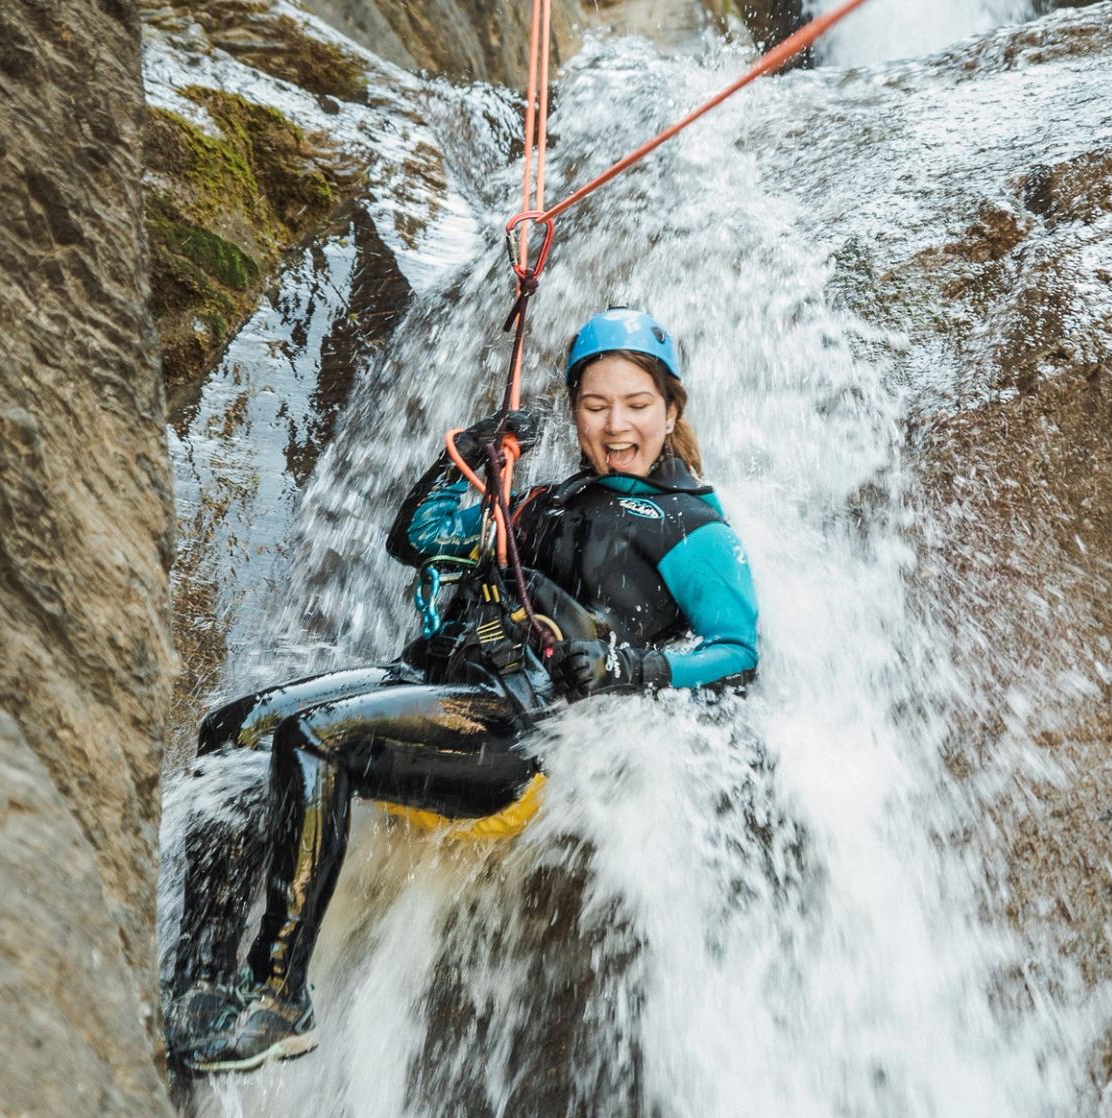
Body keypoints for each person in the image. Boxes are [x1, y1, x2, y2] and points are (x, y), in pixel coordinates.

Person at [166, 307, 759, 1073]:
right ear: (574, 410)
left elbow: (738, 652)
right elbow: (414, 541)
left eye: (637, 405)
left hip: (516, 726)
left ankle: (278, 995)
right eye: (596, 404)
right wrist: (469, 457)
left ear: (671, 410)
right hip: (436, 675)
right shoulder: (545, 500)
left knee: (316, 738)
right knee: (230, 728)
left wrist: (633, 669)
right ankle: (198, 980)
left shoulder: (690, 525)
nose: (616, 426)